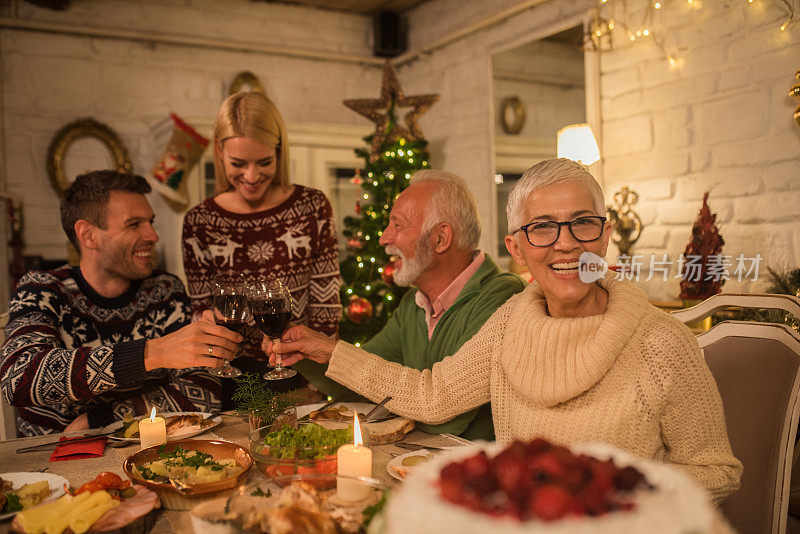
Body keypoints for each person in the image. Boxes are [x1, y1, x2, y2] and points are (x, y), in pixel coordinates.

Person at [267, 158, 743, 504]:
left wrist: (608, 492)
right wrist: (327, 350)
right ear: (516, 248)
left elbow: (718, 473)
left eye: (583, 224)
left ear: (604, 233)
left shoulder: (661, 343)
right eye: (542, 228)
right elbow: (432, 394)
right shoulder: (509, 325)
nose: (566, 244)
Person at [0, 171, 240, 436]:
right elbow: (19, 379)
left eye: (150, 221)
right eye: (134, 224)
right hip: (51, 458)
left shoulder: (165, 290)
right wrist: (151, 353)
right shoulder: (40, 289)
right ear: (88, 235)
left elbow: (203, 391)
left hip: (143, 451)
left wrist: (106, 419)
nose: (153, 235)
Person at [332, 170, 524, 440]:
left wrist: (329, 353)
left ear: (440, 238)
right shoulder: (414, 302)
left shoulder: (502, 295)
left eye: (398, 226)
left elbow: (445, 419)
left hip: (472, 475)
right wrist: (304, 347)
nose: (384, 238)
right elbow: (359, 380)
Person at [181, 92, 340, 401]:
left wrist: (309, 366)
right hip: (232, 377)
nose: (251, 177)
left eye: (264, 162)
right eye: (238, 164)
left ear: (279, 152)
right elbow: (202, 311)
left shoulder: (312, 207)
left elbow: (326, 303)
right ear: (219, 152)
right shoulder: (200, 221)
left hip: (301, 373)